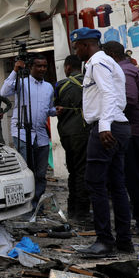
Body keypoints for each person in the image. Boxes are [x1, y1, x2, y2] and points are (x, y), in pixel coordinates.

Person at [70, 28, 132, 256]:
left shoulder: (97, 62)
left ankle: (104, 241)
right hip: (119, 125)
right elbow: (119, 97)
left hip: (107, 127)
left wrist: (104, 125)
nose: (75, 51)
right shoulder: (108, 62)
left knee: (95, 184)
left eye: (76, 46)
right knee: (117, 186)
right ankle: (124, 242)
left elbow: (108, 93)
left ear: (85, 45)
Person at [103, 42, 139, 236]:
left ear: (110, 55)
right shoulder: (130, 69)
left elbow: (128, 99)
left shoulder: (124, 71)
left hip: (137, 130)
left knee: (135, 179)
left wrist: (106, 116)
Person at [0, 55, 56, 208]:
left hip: (41, 135)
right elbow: (4, 92)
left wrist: (57, 111)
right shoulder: (22, 83)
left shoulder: (49, 87)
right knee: (26, 171)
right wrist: (15, 71)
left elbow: (49, 109)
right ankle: (24, 205)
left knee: (40, 173)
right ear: (31, 67)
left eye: (44, 66)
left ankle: (36, 204)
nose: (42, 69)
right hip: (22, 133)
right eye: (39, 66)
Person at [53, 55, 89, 223]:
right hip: (84, 132)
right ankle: (82, 211)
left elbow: (54, 107)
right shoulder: (89, 82)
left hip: (67, 134)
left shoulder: (61, 85)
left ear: (67, 67)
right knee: (83, 171)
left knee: (73, 171)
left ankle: (73, 209)